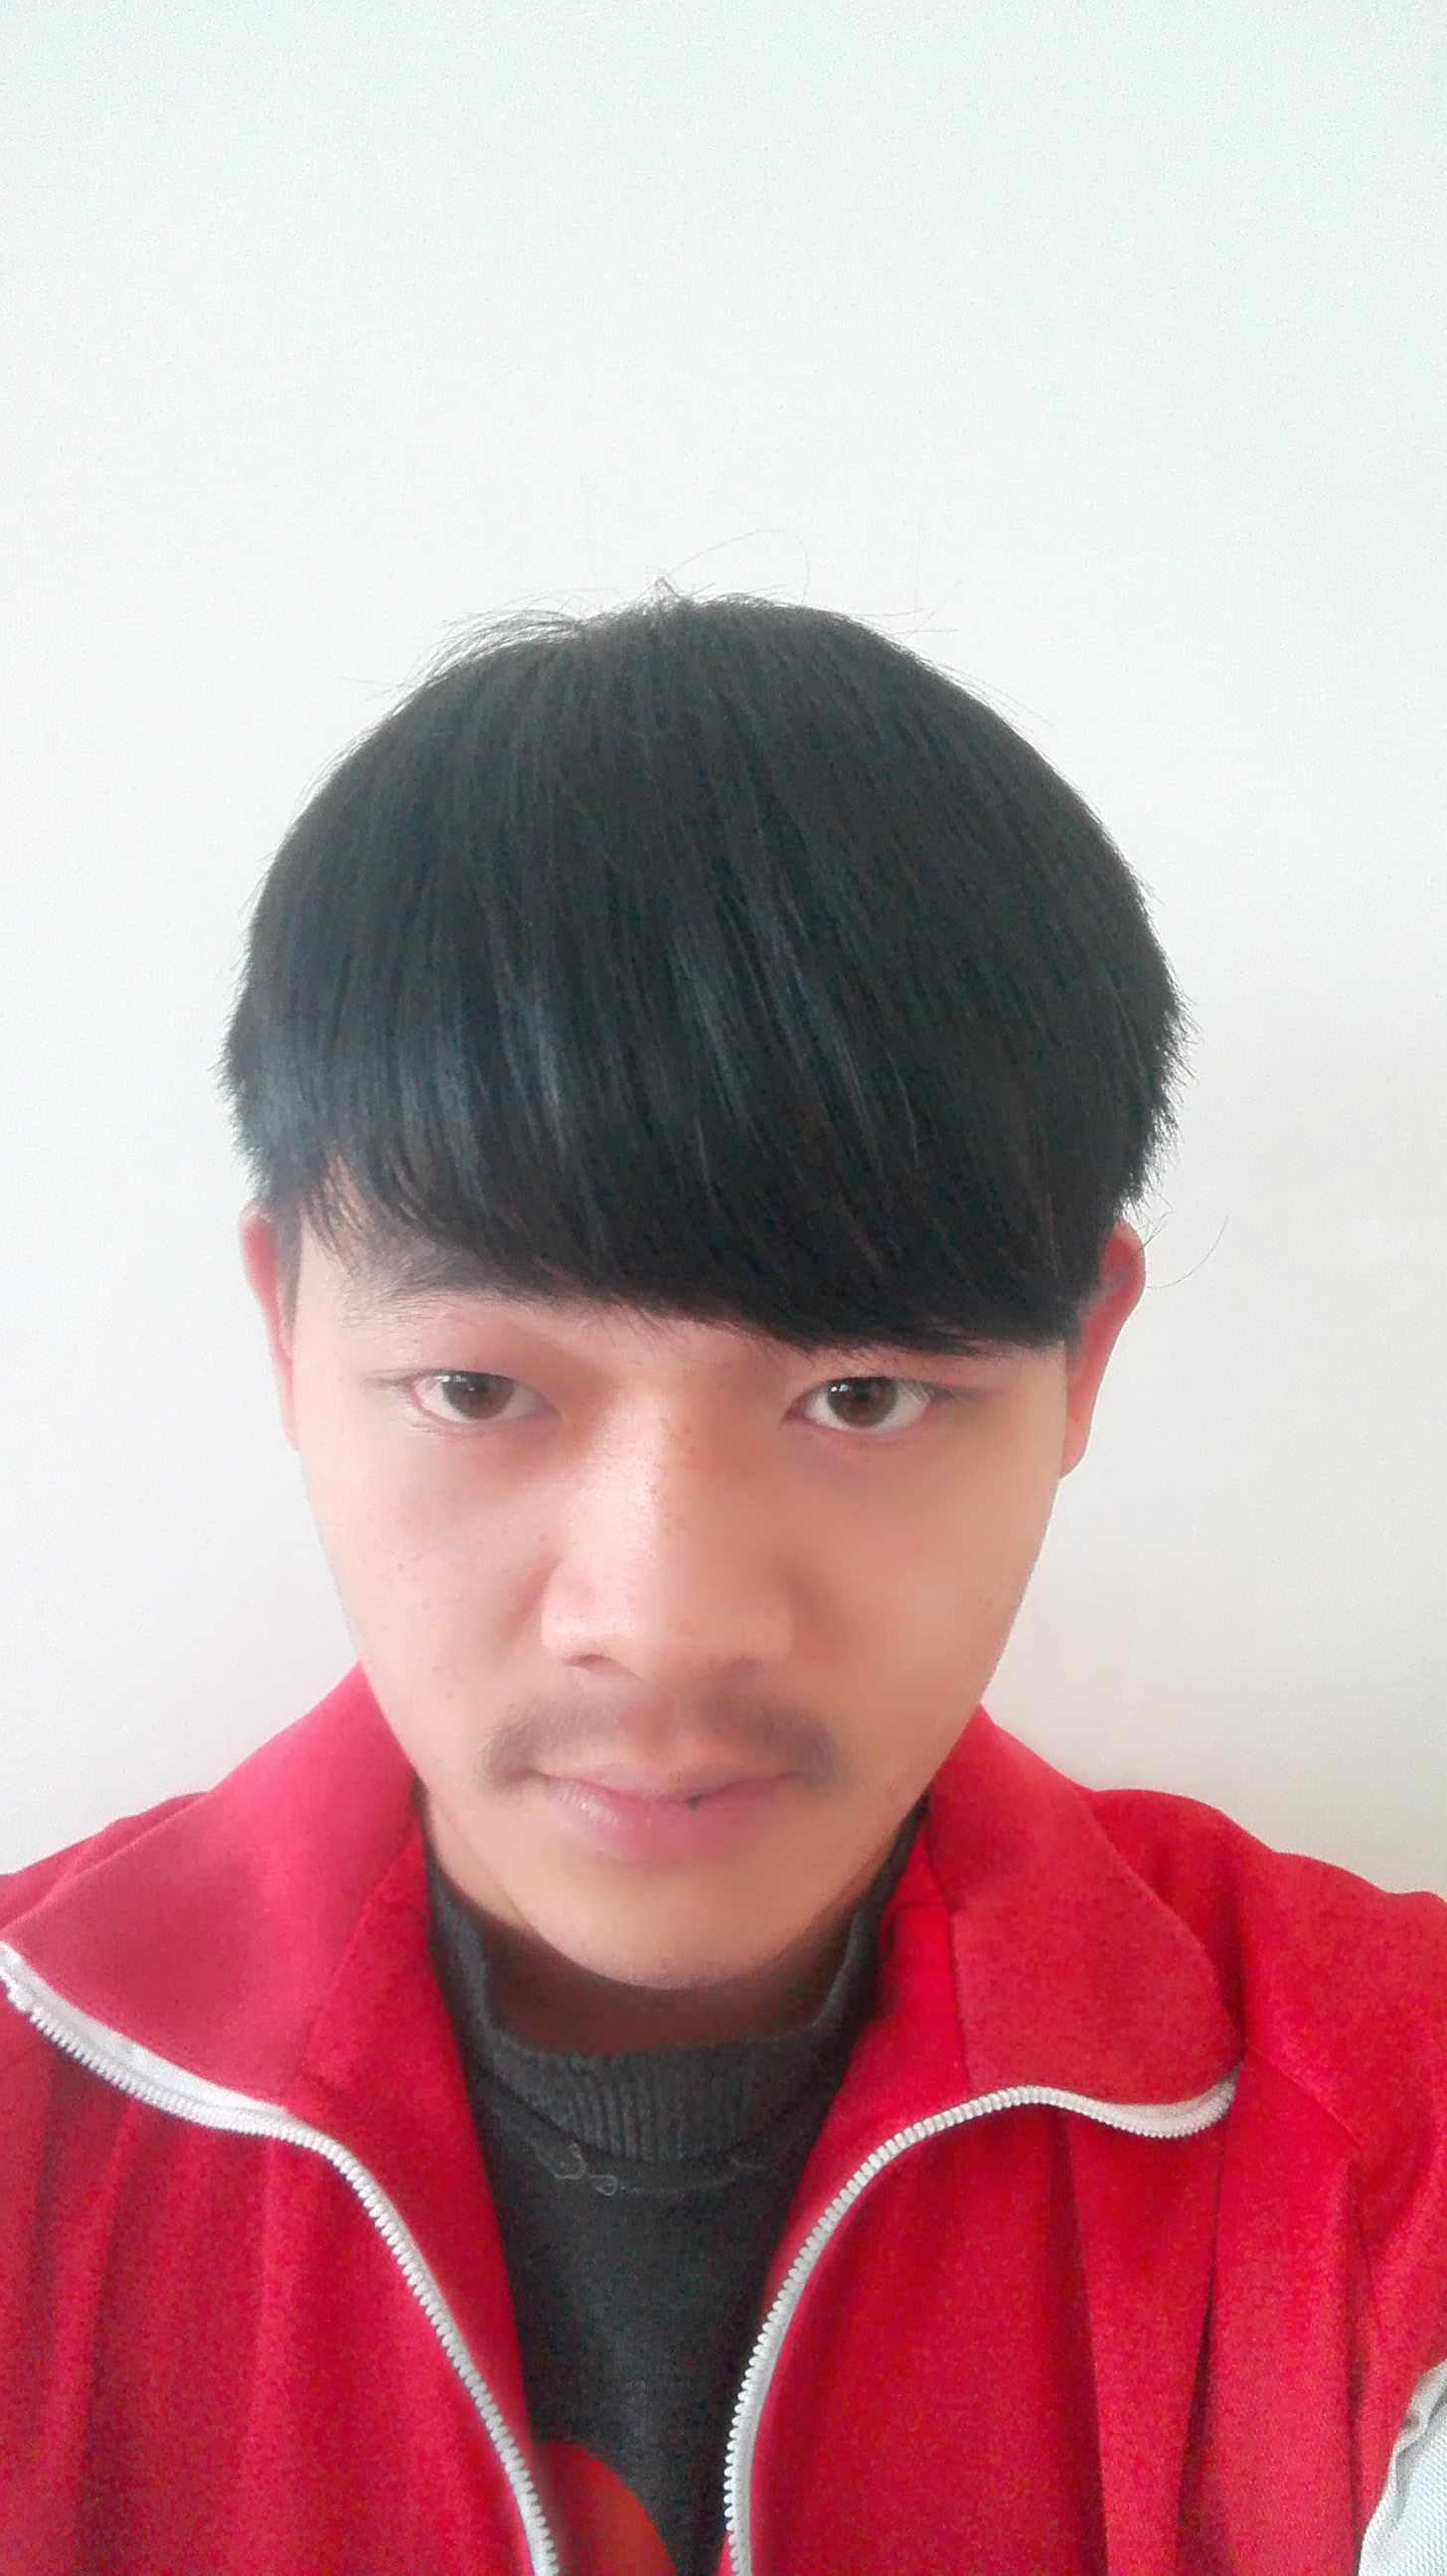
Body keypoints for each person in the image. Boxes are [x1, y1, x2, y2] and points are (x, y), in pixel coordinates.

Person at [1, 591, 1443, 2576]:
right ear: (287, 1337)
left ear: (1079, 1364)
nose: (664, 1622)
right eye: (477, 1388)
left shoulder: (1383, 2127)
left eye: (861, 1395)